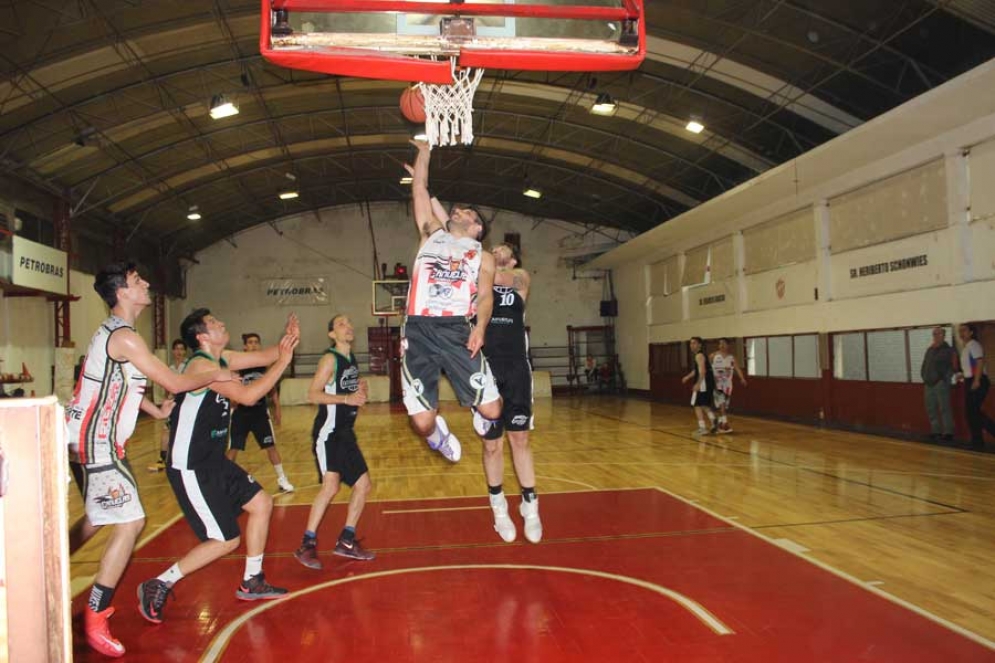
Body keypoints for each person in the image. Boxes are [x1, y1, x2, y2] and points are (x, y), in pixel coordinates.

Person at [65, 262, 231, 658]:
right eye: (139, 281)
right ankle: (96, 614)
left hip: (88, 438)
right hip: (95, 440)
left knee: (98, 516)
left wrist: (154, 412)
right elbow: (174, 382)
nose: (148, 284)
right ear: (122, 291)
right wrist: (214, 376)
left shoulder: (120, 335)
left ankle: (47, 565)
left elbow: (121, 384)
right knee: (132, 520)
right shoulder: (124, 337)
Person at [136, 309, 299, 626]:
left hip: (213, 460)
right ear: (202, 336)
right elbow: (249, 396)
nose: (222, 322)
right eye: (214, 323)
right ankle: (160, 582)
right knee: (226, 539)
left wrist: (287, 341)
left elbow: (267, 355)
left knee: (262, 503)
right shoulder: (202, 365)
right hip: (191, 464)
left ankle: (252, 580)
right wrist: (281, 362)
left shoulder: (222, 358)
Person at [400, 139, 503, 465]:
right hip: (418, 328)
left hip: (457, 327)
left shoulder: (482, 255)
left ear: (477, 228)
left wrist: (481, 327)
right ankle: (437, 437)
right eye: (456, 209)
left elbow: (486, 296)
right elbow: (419, 189)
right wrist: (424, 154)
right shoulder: (431, 232)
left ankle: (477, 409)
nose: (458, 211)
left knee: (492, 410)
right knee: (422, 421)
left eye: (467, 212)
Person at [294, 314, 375, 568]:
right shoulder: (330, 359)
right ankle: (306, 545)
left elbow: (344, 392)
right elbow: (312, 395)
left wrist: (358, 392)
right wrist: (346, 399)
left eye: (350, 323)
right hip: (328, 433)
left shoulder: (350, 359)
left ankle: (346, 541)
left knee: (363, 485)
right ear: (332, 334)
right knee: (330, 487)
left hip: (345, 432)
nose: (348, 326)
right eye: (341, 324)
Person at [482, 243, 542, 543]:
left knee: (520, 438)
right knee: (492, 445)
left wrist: (486, 264)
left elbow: (502, 278)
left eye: (501, 248)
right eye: (492, 248)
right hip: (485, 366)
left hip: (517, 366)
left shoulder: (519, 277)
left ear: (514, 258)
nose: (495, 250)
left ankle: (530, 505)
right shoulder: (481, 277)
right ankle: (498, 507)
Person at [226, 332, 294, 493]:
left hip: (260, 413)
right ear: (244, 346)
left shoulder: (264, 366)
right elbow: (230, 389)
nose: (253, 345)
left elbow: (271, 388)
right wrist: (232, 403)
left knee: (271, 446)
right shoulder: (238, 366)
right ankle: (225, 481)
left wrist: (277, 407)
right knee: (233, 448)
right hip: (240, 413)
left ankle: (282, 479)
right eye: (250, 342)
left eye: (256, 342)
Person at [148, 339, 189, 472]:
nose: (179, 352)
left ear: (185, 351)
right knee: (167, 431)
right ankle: (163, 458)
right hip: (174, 404)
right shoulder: (170, 368)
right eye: (177, 349)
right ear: (173, 351)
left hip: (187, 403)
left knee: (185, 431)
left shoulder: (189, 366)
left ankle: (184, 457)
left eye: (182, 349)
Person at [957, 324, 995, 449]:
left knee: (973, 412)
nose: (961, 333)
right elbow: (970, 366)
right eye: (960, 331)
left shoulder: (973, 344)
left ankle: (978, 441)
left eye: (964, 330)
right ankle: (977, 442)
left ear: (971, 332)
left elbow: (980, 361)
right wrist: (963, 375)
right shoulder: (966, 347)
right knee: (971, 413)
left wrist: (977, 380)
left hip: (978, 380)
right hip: (971, 379)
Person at [921, 327, 957, 442]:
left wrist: (943, 378)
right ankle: (935, 431)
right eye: (934, 334)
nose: (935, 336)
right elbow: (925, 364)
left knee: (944, 408)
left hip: (941, 383)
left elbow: (953, 367)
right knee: (931, 408)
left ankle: (948, 432)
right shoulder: (930, 350)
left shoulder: (948, 350)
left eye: (938, 334)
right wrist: (924, 376)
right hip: (928, 383)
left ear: (943, 335)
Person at [710, 338, 747, 433]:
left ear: (728, 345)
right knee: (721, 403)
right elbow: (707, 368)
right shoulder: (713, 356)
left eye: (723, 343)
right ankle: (725, 424)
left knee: (723, 406)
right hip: (717, 384)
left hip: (727, 385)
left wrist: (742, 378)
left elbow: (737, 368)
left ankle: (720, 424)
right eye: (720, 344)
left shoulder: (732, 357)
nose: (721, 345)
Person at [681, 336, 717, 436]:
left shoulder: (699, 356)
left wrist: (698, 383)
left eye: (694, 343)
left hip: (703, 383)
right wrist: (687, 377)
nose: (692, 345)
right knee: (704, 404)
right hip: (707, 382)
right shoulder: (700, 355)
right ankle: (714, 421)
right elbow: (697, 370)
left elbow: (702, 371)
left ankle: (702, 428)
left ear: (700, 345)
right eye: (691, 343)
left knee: (696, 405)